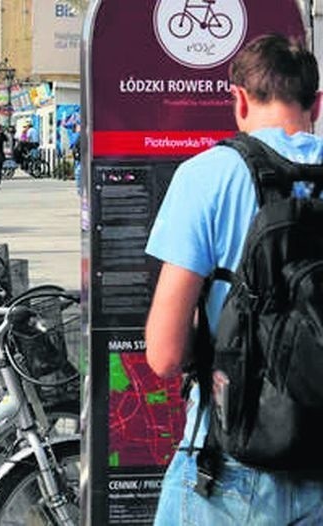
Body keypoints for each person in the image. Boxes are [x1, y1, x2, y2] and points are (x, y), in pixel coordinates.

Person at [144, 33, 323, 525]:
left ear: (239, 100)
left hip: (231, 465)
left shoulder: (206, 175)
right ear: (317, 103)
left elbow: (164, 355)